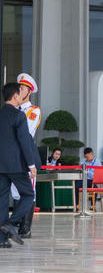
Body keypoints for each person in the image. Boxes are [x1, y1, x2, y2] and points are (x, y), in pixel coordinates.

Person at [0, 81, 39, 247]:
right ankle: (11, 223)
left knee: (2, 201)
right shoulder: (19, 115)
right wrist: (31, 165)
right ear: (15, 96)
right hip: (16, 165)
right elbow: (24, 141)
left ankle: (2, 240)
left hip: (1, 165)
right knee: (28, 195)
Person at [11, 73, 41, 238]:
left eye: (22, 88)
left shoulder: (33, 111)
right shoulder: (13, 110)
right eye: (19, 88)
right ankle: (16, 225)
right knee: (15, 191)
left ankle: (26, 228)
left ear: (29, 92)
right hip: (13, 157)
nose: (19, 91)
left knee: (29, 191)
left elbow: (24, 132)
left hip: (26, 157)